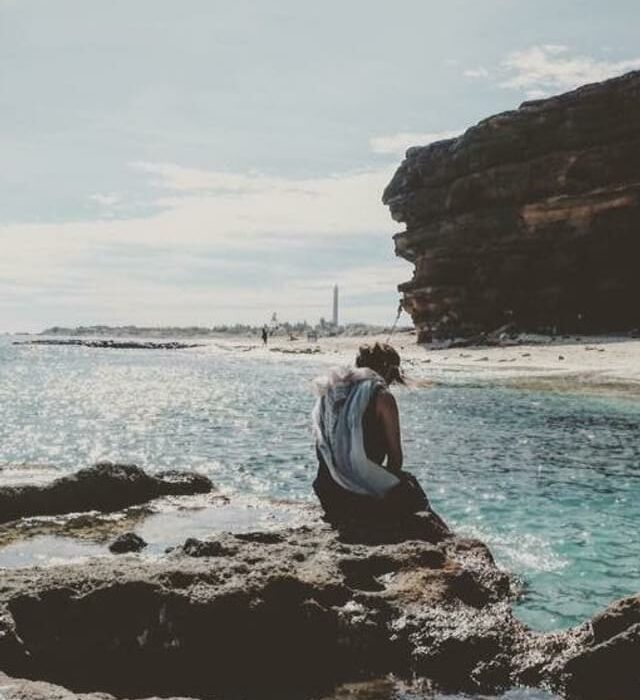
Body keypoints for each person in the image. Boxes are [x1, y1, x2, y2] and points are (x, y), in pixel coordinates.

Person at [311, 342, 430, 522]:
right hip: (360, 496)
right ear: (389, 371)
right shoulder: (383, 398)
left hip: (328, 492)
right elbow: (395, 459)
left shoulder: (332, 390)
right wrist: (384, 486)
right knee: (413, 493)